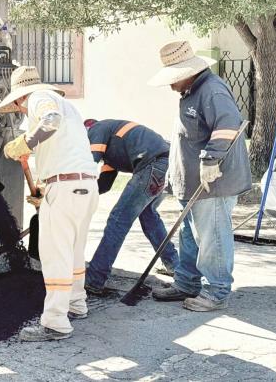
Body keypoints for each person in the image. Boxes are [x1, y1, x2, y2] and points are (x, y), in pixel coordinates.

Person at [147, 41, 252, 311]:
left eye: (173, 79)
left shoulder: (212, 91)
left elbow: (228, 125)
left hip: (212, 183)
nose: (170, 85)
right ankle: (187, 282)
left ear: (187, 73)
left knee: (212, 237)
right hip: (193, 183)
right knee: (190, 236)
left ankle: (217, 292)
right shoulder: (191, 92)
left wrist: (210, 159)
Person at [0, 66, 99, 341]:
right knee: (75, 251)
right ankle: (77, 304)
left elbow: (49, 121)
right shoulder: (68, 106)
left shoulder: (38, 98)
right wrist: (44, 189)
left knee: (56, 254)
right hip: (84, 185)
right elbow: (63, 150)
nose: (21, 111)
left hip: (66, 187)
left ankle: (55, 322)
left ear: (20, 97)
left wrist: (27, 144)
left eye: (18, 106)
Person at [83, 119, 179, 296]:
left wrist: (68, 191)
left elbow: (87, 168)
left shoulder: (95, 129)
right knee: (148, 215)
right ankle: (174, 264)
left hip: (154, 164)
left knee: (118, 220)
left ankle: (94, 279)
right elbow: (103, 184)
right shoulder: (112, 147)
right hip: (168, 164)